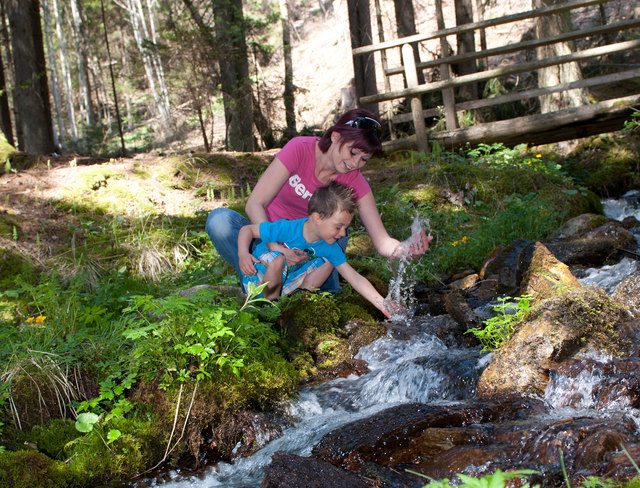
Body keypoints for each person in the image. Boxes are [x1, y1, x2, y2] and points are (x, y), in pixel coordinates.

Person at [206, 108, 432, 292]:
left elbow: (382, 241)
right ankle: (256, 283)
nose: (355, 163)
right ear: (335, 137)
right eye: (352, 153)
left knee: (338, 236)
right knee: (219, 221)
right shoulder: (299, 149)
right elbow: (255, 203)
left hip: (309, 251)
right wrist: (275, 248)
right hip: (268, 238)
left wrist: (406, 249)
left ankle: (315, 292)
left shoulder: (355, 181)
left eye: (364, 159)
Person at [238, 182, 392, 318]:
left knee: (329, 260)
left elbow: (355, 278)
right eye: (338, 227)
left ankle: (300, 299)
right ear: (317, 218)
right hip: (258, 279)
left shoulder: (329, 246)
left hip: (287, 284)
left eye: (346, 228)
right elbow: (247, 230)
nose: (343, 233)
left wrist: (383, 304)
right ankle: (267, 310)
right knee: (278, 258)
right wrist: (243, 254)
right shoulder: (289, 228)